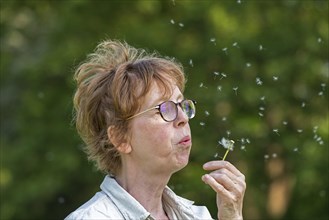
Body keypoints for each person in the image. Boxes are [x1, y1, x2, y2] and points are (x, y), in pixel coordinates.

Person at [65, 39, 246, 220]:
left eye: (181, 104)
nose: (183, 118)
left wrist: (233, 217)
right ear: (120, 138)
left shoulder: (197, 216)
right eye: (165, 109)